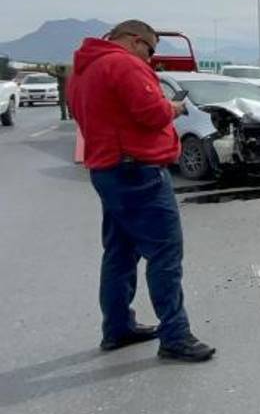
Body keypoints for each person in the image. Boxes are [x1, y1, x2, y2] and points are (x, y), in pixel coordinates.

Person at [68, 20, 215, 362]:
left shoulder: (82, 71)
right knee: (165, 254)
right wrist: (174, 108)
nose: (150, 59)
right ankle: (175, 336)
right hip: (138, 172)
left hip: (108, 170)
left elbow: (84, 116)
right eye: (150, 51)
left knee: (119, 253)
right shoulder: (123, 64)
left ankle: (117, 328)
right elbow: (151, 113)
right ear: (136, 41)